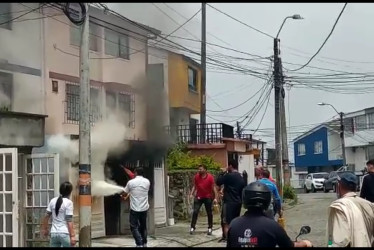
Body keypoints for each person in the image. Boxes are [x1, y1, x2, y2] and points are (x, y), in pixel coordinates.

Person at [227, 181, 312, 247]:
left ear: (245, 198)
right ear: (267, 200)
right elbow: (290, 246)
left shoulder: (234, 224)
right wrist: (305, 243)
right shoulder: (272, 226)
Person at [327, 172, 374, 247]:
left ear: (339, 186)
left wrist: (329, 245)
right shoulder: (369, 205)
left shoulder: (339, 207)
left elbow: (339, 241)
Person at [216, 159, 246, 242]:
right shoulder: (241, 177)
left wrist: (222, 172)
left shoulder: (229, 175)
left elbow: (218, 182)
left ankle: (227, 238)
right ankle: (233, 237)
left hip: (229, 202)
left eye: (228, 166)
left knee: (225, 221)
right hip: (238, 202)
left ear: (230, 166)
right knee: (234, 220)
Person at [121, 167, 150, 248]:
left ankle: (139, 243)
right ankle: (144, 243)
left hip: (135, 209)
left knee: (134, 227)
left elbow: (124, 193)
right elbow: (137, 191)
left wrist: (123, 195)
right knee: (143, 226)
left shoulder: (131, 183)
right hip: (144, 208)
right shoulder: (147, 182)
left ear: (136, 173)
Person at [41, 182, 76, 247]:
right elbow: (69, 220)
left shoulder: (53, 200)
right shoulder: (69, 203)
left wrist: (44, 229)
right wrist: (72, 236)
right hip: (64, 233)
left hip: (54, 233)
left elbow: (46, 216)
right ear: (70, 192)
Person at [189, 165, 218, 235]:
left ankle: (210, 228)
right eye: (198, 169)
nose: (199, 171)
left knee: (209, 213)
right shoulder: (196, 176)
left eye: (201, 169)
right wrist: (191, 194)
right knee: (195, 211)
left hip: (207, 197)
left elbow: (213, 188)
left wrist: (215, 198)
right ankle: (192, 227)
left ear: (205, 170)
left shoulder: (210, 177)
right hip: (199, 197)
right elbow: (195, 186)